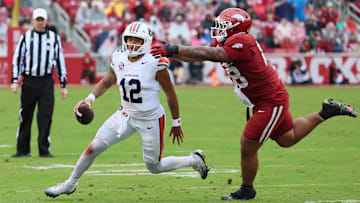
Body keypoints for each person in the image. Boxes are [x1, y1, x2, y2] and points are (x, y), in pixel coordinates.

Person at [150, 8, 358, 201]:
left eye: (223, 25)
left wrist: (175, 47)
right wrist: (170, 52)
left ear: (235, 28)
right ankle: (326, 112)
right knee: (287, 138)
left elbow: (211, 54)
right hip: (264, 99)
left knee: (248, 144)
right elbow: (200, 56)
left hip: (269, 101)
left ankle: (247, 190)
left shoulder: (242, 41)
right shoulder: (230, 40)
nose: (218, 29)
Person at [44, 22, 209, 198]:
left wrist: (176, 122)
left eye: (137, 41)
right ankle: (70, 183)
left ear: (145, 42)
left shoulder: (155, 62)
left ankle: (193, 160)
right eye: (129, 39)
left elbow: (170, 93)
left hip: (150, 119)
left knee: (154, 166)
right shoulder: (119, 57)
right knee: (94, 147)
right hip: (125, 114)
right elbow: (107, 81)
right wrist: (89, 99)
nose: (132, 44)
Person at [11, 8, 68, 158]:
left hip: (46, 81)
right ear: (33, 21)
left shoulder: (54, 38)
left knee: (45, 116)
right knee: (25, 115)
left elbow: (59, 60)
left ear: (46, 21)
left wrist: (63, 84)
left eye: (43, 20)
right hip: (29, 81)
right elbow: (17, 59)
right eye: (38, 20)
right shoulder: (26, 37)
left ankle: (44, 149)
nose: (40, 23)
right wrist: (15, 80)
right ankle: (23, 149)